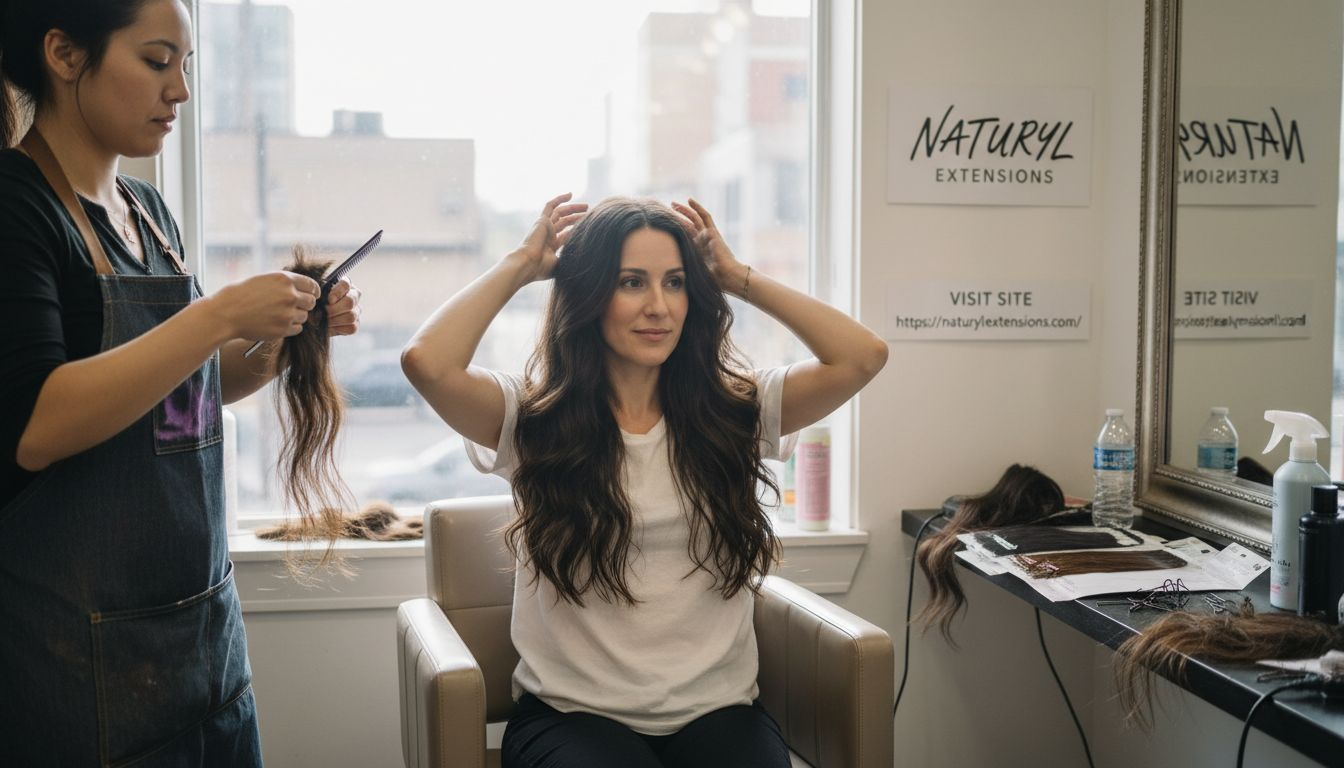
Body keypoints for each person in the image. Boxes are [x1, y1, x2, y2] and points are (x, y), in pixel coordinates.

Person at [402, 193, 888, 767]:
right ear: (588, 295)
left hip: (719, 711)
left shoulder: (737, 412)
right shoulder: (532, 420)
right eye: (631, 282)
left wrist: (737, 277)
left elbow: (863, 356)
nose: (659, 306)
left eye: (676, 282)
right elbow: (426, 363)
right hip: (571, 716)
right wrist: (521, 266)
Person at [0, 1, 361, 763]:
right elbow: (37, 425)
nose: (181, 93)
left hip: (204, 650)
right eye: (157, 62)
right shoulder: (17, 207)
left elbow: (190, 392)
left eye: (186, 68)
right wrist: (219, 312)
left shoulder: (147, 210)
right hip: (83, 675)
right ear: (64, 54)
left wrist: (282, 334)